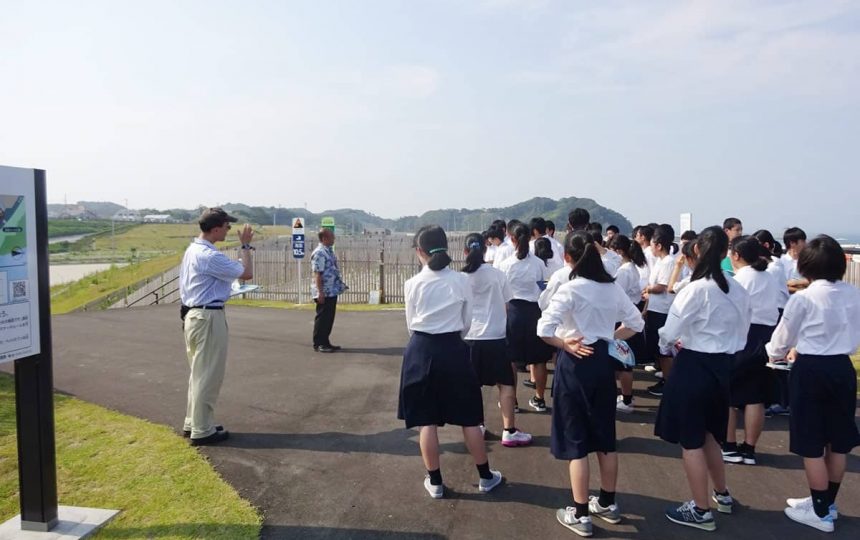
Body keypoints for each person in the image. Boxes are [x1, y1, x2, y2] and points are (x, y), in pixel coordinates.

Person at [538, 231, 644, 537]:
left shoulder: (570, 289)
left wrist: (563, 343)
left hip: (574, 362)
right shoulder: (612, 288)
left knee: (576, 442)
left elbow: (543, 327)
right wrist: (610, 338)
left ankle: (581, 514)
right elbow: (636, 322)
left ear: (568, 258)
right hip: (601, 363)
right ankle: (608, 503)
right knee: (604, 437)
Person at [654, 226, 751, 532]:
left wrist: (668, 345)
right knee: (710, 434)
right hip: (723, 366)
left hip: (694, 365)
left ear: (695, 252)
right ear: (725, 254)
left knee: (692, 441)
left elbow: (668, 334)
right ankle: (721, 494)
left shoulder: (695, 289)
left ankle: (700, 510)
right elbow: (743, 334)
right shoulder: (737, 289)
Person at [398, 225, 503, 499]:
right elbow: (467, 324)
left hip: (420, 349)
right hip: (454, 348)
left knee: (427, 421)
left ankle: (435, 482)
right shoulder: (461, 281)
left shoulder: (412, 284)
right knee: (469, 418)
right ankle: (485, 476)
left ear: (419, 251)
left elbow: (411, 325)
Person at [765, 235, 860, 533]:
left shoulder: (803, 298)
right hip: (842, 368)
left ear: (806, 265)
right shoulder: (854, 293)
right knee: (837, 440)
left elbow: (780, 341)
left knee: (812, 442)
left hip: (811, 369)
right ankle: (825, 503)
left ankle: (820, 512)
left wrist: (775, 355)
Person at [179, 207, 254, 446]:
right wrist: (245, 247)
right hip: (208, 317)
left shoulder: (193, 250)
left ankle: (195, 422)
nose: (229, 229)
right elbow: (246, 273)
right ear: (215, 229)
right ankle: (202, 429)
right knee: (209, 375)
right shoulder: (210, 256)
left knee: (198, 374)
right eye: (226, 226)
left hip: (194, 315)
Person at [461, 233, 533, 448]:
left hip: (469, 337)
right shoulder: (497, 274)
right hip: (496, 336)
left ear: (465, 252)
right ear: (485, 250)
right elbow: (507, 304)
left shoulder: (460, 278)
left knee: (472, 385)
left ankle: (478, 426)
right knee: (506, 383)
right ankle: (509, 430)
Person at [722, 236, 780, 466]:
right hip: (766, 337)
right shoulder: (769, 276)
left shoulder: (740, 278)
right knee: (755, 396)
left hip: (743, 336)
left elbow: (730, 310)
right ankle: (749, 449)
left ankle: (728, 446)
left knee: (728, 395)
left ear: (736, 255)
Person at [498, 223, 553, 412]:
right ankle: (540, 398)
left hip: (512, 311)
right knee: (539, 359)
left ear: (512, 239)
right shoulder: (538, 263)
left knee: (511, 359)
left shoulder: (505, 265)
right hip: (534, 311)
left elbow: (501, 293)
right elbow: (545, 288)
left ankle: (511, 401)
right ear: (530, 237)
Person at [607, 234, 648, 413]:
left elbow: (616, 294)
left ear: (619, 251)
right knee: (623, 360)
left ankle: (627, 399)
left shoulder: (624, 271)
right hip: (630, 313)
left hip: (624, 317)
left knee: (623, 363)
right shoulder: (631, 267)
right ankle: (625, 397)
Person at [643, 224, 676, 396]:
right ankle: (665, 377)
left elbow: (662, 286)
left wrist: (648, 289)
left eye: (653, 244)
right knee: (658, 347)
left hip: (663, 309)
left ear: (659, 245)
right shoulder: (661, 261)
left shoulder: (668, 262)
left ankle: (668, 381)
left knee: (664, 348)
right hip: (656, 307)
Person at [311, 228, 347, 352]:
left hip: (331, 290)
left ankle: (325, 341)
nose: (334, 239)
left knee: (329, 318)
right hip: (324, 291)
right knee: (322, 318)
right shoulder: (320, 253)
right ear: (325, 238)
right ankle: (319, 343)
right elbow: (317, 274)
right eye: (332, 237)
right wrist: (320, 292)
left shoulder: (328, 251)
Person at [783, 227, 809, 293]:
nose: (806, 244)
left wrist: (794, 283)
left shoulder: (808, 261)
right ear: (792, 243)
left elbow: (815, 281)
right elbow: (780, 286)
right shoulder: (781, 262)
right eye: (803, 241)